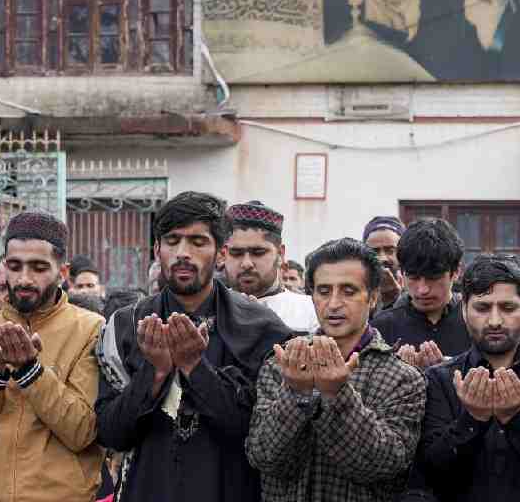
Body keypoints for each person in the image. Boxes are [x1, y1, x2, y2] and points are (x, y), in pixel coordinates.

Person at [95, 192, 293, 502]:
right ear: (157, 249)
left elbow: (258, 437)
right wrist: (156, 372)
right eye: (172, 241)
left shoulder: (261, 328)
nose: (183, 253)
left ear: (220, 253)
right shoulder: (125, 325)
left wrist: (194, 368)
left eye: (198, 242)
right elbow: (111, 433)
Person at [246, 238, 426, 502]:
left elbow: (384, 466)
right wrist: (296, 394)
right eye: (323, 291)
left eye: (349, 291)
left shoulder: (403, 378)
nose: (333, 304)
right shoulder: (282, 364)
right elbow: (264, 457)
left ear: (373, 297)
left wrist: (338, 395)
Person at [412, 253, 520, 501]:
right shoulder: (439, 379)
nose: (494, 321)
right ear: (464, 311)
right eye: (482, 307)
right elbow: (430, 470)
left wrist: (515, 419)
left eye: (508, 307)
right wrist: (472, 419)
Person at [0, 212, 105, 502]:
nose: (24, 279)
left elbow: (83, 431)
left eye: (39, 267)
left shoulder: (90, 328)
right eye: (15, 266)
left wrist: (31, 372)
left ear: (62, 272)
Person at [372, 219, 471, 369]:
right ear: (402, 272)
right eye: (413, 277)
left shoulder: (475, 322)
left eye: (433, 278)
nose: (422, 290)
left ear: (456, 271)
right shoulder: (382, 327)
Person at [224, 200, 318, 333]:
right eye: (236, 253)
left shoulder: (310, 311)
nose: (246, 264)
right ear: (224, 254)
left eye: (258, 253)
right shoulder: (208, 309)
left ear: (280, 254)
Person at [362, 215, 406, 313]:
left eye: (390, 250)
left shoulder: (417, 289)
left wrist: (395, 300)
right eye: (374, 251)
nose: (382, 258)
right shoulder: (357, 290)